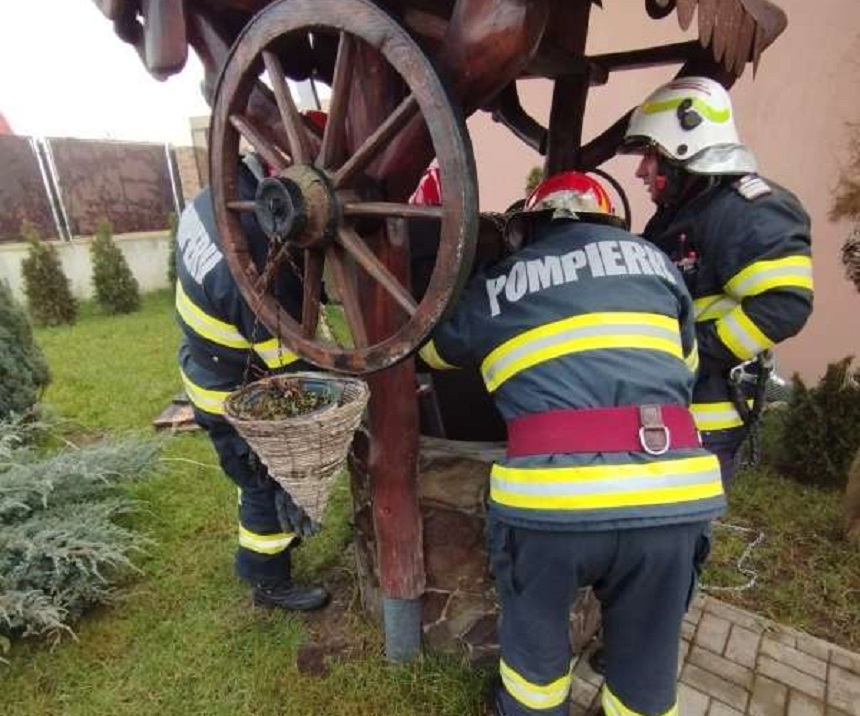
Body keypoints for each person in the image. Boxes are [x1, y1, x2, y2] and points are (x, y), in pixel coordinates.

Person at [419, 171, 725, 716]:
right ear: (610, 219)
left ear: (530, 225)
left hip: (554, 507)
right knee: (648, 670)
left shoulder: (502, 282)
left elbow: (434, 350)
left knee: (535, 663)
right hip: (672, 497)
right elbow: (686, 369)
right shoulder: (659, 266)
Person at [619, 76, 814, 491]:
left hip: (705, 419)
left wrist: (692, 356)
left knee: (679, 527)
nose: (640, 171)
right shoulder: (686, 212)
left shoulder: (747, 210)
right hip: (671, 410)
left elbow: (784, 305)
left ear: (681, 147)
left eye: (650, 155)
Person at [175, 155, 329, 611]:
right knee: (263, 477)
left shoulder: (216, 198)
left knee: (254, 478)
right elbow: (293, 371)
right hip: (231, 390)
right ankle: (268, 581)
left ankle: (268, 554)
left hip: (209, 361)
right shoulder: (254, 262)